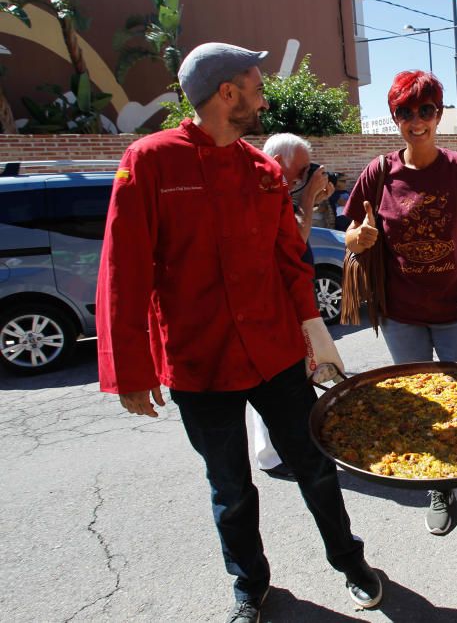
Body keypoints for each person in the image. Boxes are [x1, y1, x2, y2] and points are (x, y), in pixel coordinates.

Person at [95, 42, 382, 622]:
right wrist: (131, 369)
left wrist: (316, 341)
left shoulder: (263, 171)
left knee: (316, 467)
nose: (262, 94)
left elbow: (291, 264)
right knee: (230, 488)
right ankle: (250, 585)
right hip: (200, 364)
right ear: (227, 93)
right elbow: (123, 270)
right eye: (254, 83)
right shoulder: (148, 161)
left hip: (275, 356)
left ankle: (348, 559)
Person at [343, 70, 457, 536]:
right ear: (395, 118)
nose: (416, 121)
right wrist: (360, 238)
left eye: (425, 111)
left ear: (439, 113)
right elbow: (350, 235)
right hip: (402, 317)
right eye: (405, 113)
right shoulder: (379, 173)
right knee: (423, 408)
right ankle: (441, 483)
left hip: (455, 310)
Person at [245, 133, 331, 481]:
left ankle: (272, 452)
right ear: (277, 163)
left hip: (284, 300)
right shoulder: (263, 190)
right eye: (297, 173)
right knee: (278, 384)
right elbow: (296, 244)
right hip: (274, 305)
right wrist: (308, 196)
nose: (299, 179)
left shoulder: (277, 190)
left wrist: (307, 196)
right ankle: (276, 454)